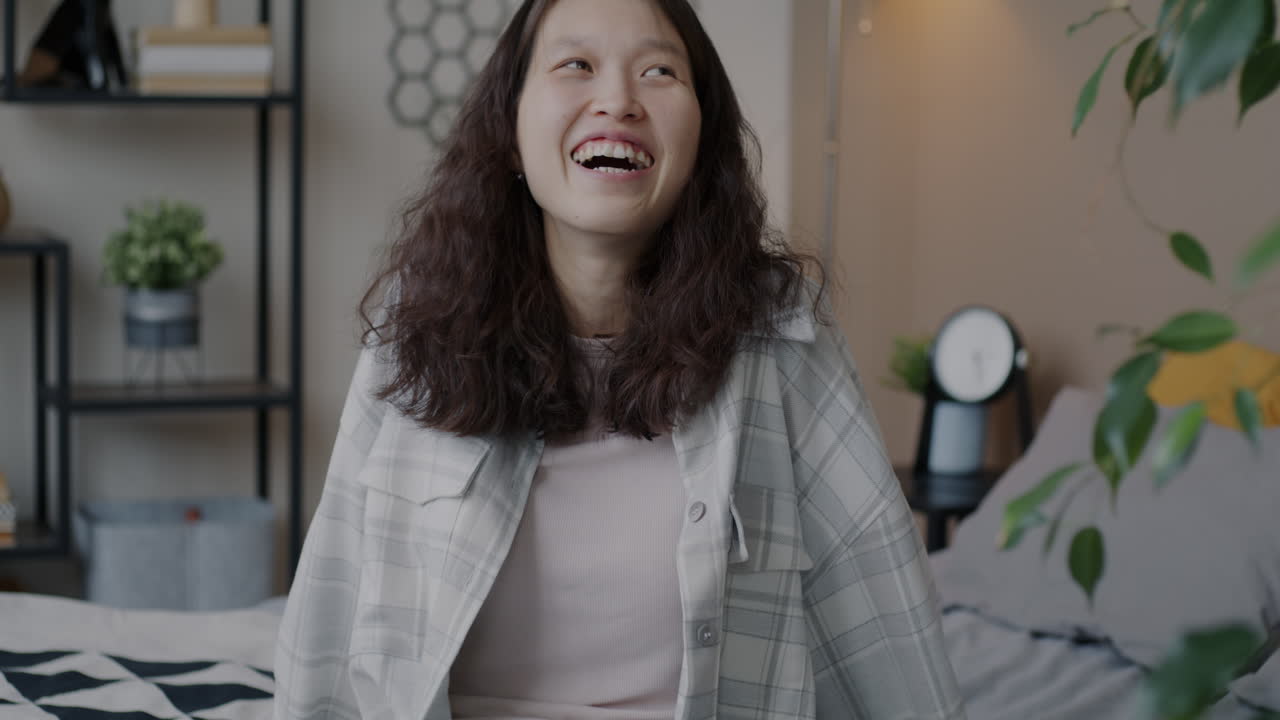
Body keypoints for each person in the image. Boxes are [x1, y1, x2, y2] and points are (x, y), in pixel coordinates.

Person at [273, 0, 966, 718]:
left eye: (659, 71)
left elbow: (878, 602)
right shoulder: (411, 330)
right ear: (510, 131)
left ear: (702, 135)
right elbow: (334, 599)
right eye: (576, 65)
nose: (617, 101)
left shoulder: (782, 340)